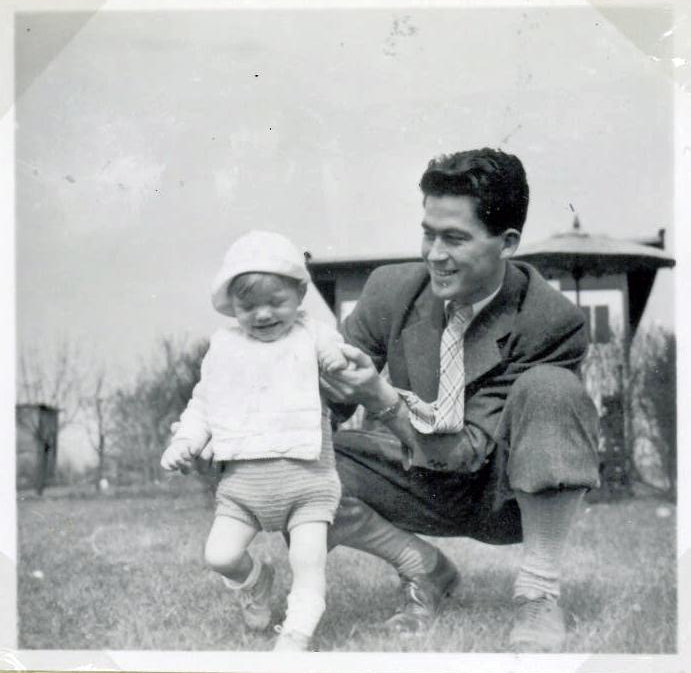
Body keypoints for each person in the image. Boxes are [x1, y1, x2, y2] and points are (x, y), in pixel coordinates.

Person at [320, 148, 601, 653]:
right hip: (415, 478)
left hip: (504, 494)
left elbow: (469, 452)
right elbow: (320, 402)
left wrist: (382, 399)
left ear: (507, 242)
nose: (434, 254)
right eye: (428, 233)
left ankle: (538, 593)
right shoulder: (389, 290)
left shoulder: (551, 320)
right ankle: (422, 568)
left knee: (553, 389)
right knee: (285, 454)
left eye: (454, 238)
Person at [160, 230, 346, 652]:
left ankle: (297, 633)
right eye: (248, 307)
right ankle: (256, 582)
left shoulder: (312, 334)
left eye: (275, 302)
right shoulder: (225, 346)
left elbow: (334, 349)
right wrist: (185, 441)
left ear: (299, 293)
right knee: (220, 555)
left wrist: (334, 358)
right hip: (244, 485)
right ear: (232, 306)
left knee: (308, 561)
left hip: (308, 479)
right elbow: (204, 401)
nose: (262, 314)